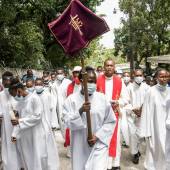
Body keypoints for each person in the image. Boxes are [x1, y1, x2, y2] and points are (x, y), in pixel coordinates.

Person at [62, 66, 116, 170]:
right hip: (79, 145)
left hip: (98, 145)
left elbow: (110, 121)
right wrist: (80, 110)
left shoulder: (102, 99)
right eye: (89, 81)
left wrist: (97, 136)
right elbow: (66, 121)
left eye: (94, 81)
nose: (92, 84)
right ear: (82, 81)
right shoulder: (71, 100)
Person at [10, 80, 60, 170]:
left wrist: (20, 121)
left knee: (38, 157)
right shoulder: (20, 102)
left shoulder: (34, 98)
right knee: (27, 157)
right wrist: (14, 133)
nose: (15, 97)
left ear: (19, 90)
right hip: (25, 135)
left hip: (36, 134)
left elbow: (37, 116)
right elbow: (17, 117)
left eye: (15, 94)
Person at [97, 58, 129, 170]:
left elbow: (126, 98)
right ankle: (104, 164)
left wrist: (118, 102)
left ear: (114, 67)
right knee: (103, 139)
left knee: (115, 139)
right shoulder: (98, 80)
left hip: (115, 113)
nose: (109, 67)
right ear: (104, 66)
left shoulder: (119, 81)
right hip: (101, 115)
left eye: (111, 65)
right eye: (107, 65)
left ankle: (115, 164)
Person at [140, 69, 168, 170]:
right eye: (161, 76)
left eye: (166, 76)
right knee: (155, 150)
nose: (164, 79)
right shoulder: (151, 91)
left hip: (167, 128)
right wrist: (146, 131)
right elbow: (146, 112)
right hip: (154, 128)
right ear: (156, 78)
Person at [126, 69, 150, 164]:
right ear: (133, 76)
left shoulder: (147, 88)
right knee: (132, 135)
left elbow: (149, 101)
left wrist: (142, 110)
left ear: (143, 76)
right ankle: (135, 154)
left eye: (140, 75)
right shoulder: (129, 88)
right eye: (137, 75)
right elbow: (126, 101)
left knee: (141, 135)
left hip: (144, 115)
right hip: (132, 115)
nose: (139, 77)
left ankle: (137, 150)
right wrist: (133, 109)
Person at [0, 71, 22, 170]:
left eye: (10, 79)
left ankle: (21, 165)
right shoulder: (0, 95)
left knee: (18, 145)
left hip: (18, 126)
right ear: (2, 81)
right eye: (5, 79)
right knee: (7, 145)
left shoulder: (18, 94)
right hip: (5, 127)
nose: (8, 82)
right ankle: (7, 166)